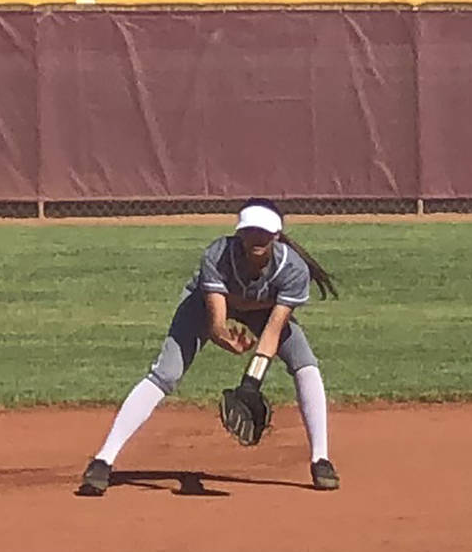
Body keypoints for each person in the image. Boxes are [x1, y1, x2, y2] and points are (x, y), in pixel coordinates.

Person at [78, 198, 340, 495]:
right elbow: (216, 324)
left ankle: (321, 460)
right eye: (250, 231)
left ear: (277, 235)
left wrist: (250, 383)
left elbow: (272, 331)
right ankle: (103, 460)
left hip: (263, 314)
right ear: (239, 233)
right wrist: (223, 336)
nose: (257, 238)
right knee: (166, 373)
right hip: (203, 306)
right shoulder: (218, 255)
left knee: (305, 364)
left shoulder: (292, 268)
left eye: (264, 232)